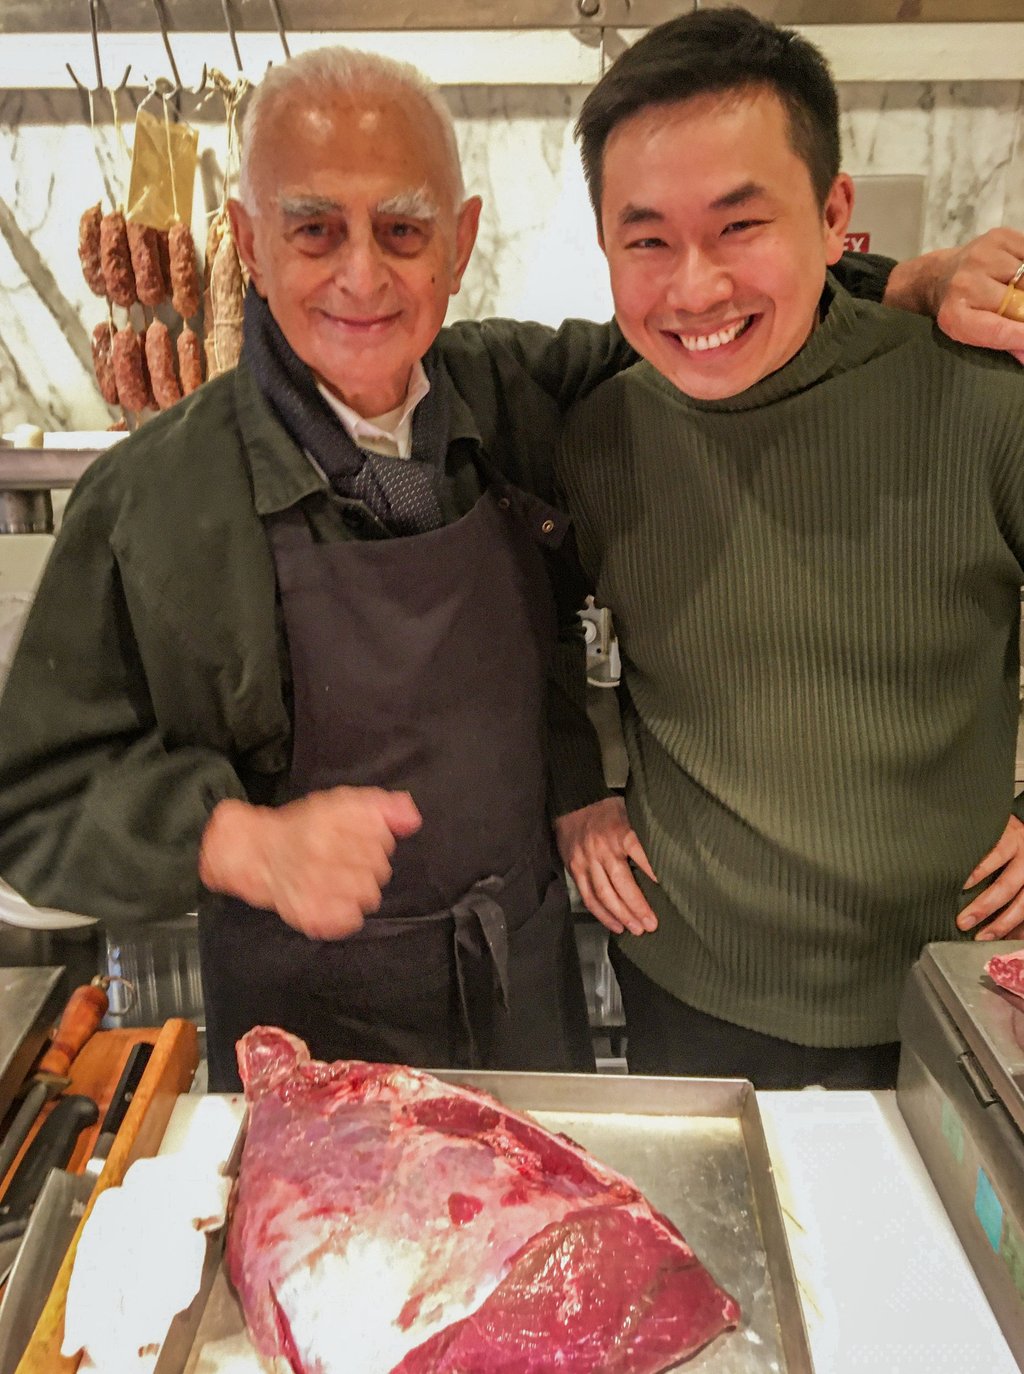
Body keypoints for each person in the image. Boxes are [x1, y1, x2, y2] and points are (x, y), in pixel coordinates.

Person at [0, 43, 1017, 1090]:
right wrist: (235, 844)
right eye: (314, 232)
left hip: (526, 1006)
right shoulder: (152, 498)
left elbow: (704, 316)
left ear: (461, 240)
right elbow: (29, 808)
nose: (361, 275)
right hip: (305, 1036)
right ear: (252, 246)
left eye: (401, 231)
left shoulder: (515, 392)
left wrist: (902, 279)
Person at [552, 6, 1024, 1090]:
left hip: (948, 993)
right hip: (691, 988)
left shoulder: (979, 399)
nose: (695, 288)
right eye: (647, 239)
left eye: (738, 226)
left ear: (832, 212)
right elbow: (523, 631)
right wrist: (575, 786)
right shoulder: (596, 436)